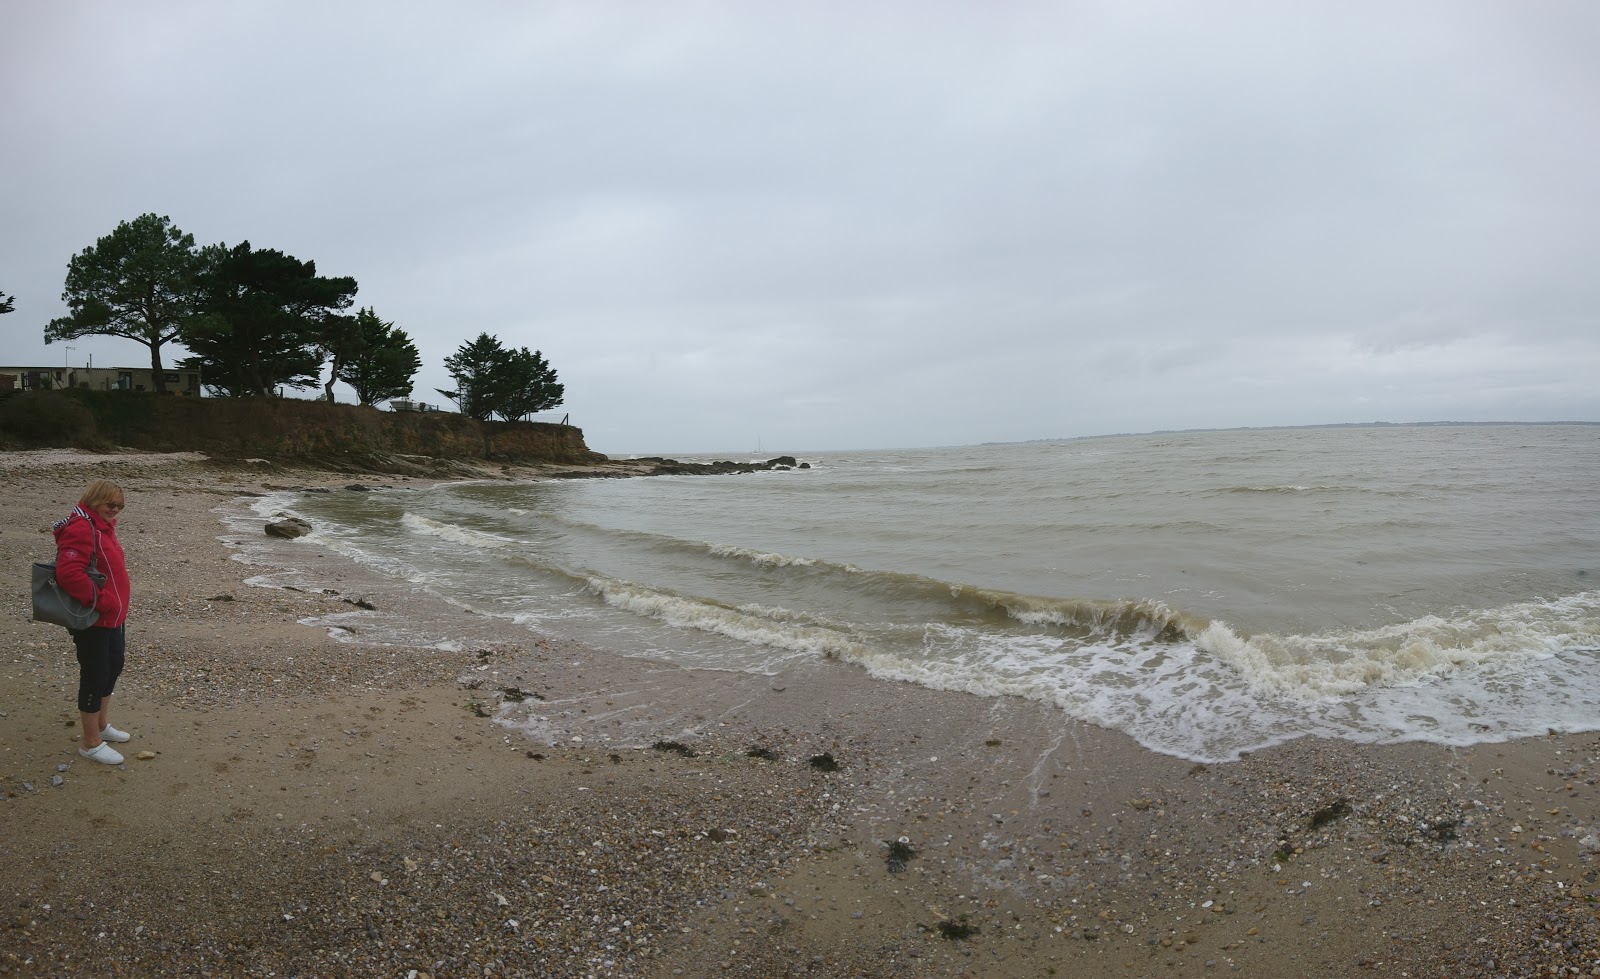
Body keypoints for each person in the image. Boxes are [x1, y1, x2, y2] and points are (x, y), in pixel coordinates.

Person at [52, 479, 133, 766]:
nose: (116, 510)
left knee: (113, 667)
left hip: (113, 618)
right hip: (94, 619)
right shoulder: (81, 527)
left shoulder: (104, 526)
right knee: (95, 674)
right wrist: (103, 601)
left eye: (120, 505)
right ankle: (90, 743)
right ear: (94, 499)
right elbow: (69, 573)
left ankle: (101, 725)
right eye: (110, 504)